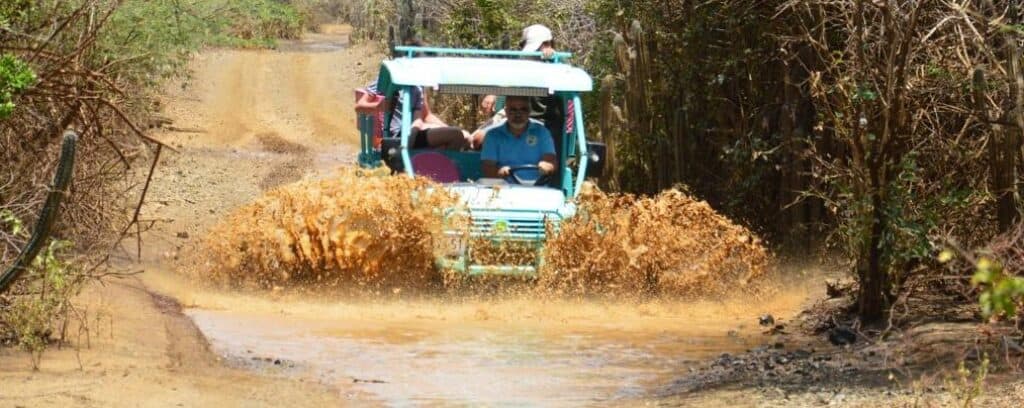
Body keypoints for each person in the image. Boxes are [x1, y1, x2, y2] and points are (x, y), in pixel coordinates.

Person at [481, 95, 557, 183]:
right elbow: (488, 168)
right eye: (513, 110)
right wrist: (499, 174)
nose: (518, 114)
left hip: (537, 189)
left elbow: (551, 161)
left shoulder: (542, 132)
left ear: (529, 111)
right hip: (504, 190)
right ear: (506, 111)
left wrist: (546, 165)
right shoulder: (493, 135)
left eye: (523, 109)